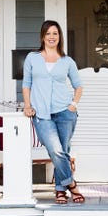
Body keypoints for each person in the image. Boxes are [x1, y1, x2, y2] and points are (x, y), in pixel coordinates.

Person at [22, 20, 85, 203]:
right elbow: (26, 84)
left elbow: (78, 86)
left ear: (60, 37)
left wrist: (73, 104)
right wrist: (27, 105)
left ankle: (59, 190)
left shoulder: (67, 61)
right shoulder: (32, 58)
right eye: (48, 33)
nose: (51, 37)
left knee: (63, 150)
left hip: (65, 112)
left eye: (55, 33)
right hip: (41, 114)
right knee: (56, 150)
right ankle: (72, 185)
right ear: (42, 36)